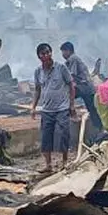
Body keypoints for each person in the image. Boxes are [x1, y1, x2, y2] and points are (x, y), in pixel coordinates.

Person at [31, 42, 77, 171]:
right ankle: (48, 165)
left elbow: (71, 85)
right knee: (46, 137)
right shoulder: (38, 71)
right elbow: (37, 90)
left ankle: (65, 162)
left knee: (64, 134)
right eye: (43, 53)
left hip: (62, 108)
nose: (46, 55)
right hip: (46, 109)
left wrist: (71, 105)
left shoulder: (61, 67)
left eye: (48, 52)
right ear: (39, 56)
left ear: (51, 53)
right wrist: (33, 107)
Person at [60, 41, 103, 140]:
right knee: (92, 110)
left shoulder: (73, 59)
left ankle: (72, 114)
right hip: (86, 88)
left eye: (63, 52)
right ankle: (99, 129)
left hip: (84, 87)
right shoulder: (72, 60)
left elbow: (72, 75)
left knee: (66, 94)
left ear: (68, 51)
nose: (62, 55)